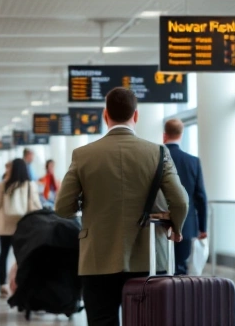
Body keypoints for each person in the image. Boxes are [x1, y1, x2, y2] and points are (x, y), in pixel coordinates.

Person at [55, 87, 188, 326]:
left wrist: (89, 202)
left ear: (106, 116)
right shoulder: (158, 152)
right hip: (148, 256)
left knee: (102, 320)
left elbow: (63, 207)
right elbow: (180, 201)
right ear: (135, 116)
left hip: (98, 256)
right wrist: (175, 227)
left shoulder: (83, 155)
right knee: (145, 320)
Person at [0, 158, 42, 297]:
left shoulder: (2, 185)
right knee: (21, 257)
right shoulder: (29, 185)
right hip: (23, 227)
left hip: (5, 226)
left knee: (3, 254)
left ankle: (3, 285)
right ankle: (20, 283)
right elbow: (36, 205)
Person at [163, 118, 208, 275]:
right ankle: (178, 297)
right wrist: (202, 227)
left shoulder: (155, 159)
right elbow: (200, 196)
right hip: (187, 224)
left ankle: (162, 296)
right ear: (181, 135)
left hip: (159, 223)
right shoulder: (192, 161)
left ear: (164, 135)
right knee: (181, 266)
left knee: (161, 265)